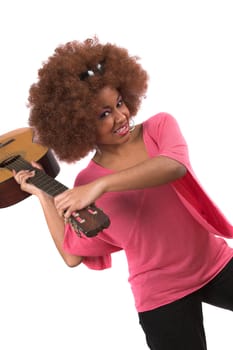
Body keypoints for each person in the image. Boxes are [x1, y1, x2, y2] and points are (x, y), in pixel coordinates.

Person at [13, 36, 233, 350]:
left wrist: (101, 185)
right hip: (160, 294)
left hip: (214, 264)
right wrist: (43, 195)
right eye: (103, 114)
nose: (120, 116)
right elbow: (73, 254)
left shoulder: (158, 128)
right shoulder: (85, 183)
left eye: (119, 103)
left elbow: (173, 166)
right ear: (79, 126)